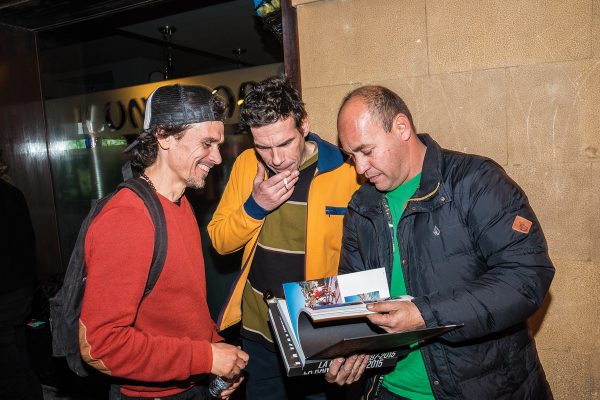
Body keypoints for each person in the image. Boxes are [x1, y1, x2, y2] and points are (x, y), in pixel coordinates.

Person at [334, 85, 555, 400]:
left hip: (484, 389)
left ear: (401, 127)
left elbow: (526, 276)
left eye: (367, 151)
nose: (359, 168)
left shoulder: (476, 181)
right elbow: (356, 295)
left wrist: (425, 314)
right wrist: (352, 347)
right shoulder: (361, 206)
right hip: (389, 390)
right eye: (350, 156)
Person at [79, 84, 248, 400]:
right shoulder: (128, 217)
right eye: (207, 143)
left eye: (219, 144)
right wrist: (206, 358)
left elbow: (179, 307)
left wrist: (214, 348)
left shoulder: (181, 204)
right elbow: (99, 345)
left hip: (189, 385)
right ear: (164, 136)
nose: (216, 157)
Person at [207, 77, 364, 399]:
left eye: (284, 143)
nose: (276, 158)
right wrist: (255, 207)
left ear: (304, 125)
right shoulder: (246, 164)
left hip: (317, 327)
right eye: (263, 147)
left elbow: (362, 258)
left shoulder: (347, 170)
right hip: (257, 327)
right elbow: (220, 241)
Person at [0, 164, 44, 400]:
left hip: (6, 292)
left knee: (9, 370)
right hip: (20, 290)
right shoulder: (12, 192)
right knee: (18, 357)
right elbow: (28, 244)